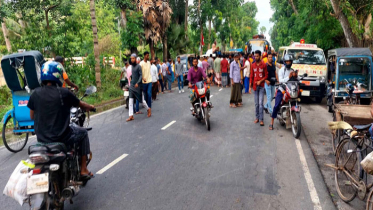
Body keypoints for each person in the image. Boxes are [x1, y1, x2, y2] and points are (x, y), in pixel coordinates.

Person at [28, 60, 94, 179]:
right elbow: (81, 104)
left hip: (41, 139)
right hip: (62, 138)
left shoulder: (35, 94)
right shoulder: (64, 93)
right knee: (83, 133)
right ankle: (83, 170)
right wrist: (90, 107)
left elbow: (32, 116)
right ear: (58, 75)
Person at [269, 54, 298, 130]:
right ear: (285, 62)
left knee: (295, 100)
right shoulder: (282, 70)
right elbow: (281, 80)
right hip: (282, 89)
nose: (288, 63)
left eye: (289, 61)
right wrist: (288, 77)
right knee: (276, 104)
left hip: (289, 89)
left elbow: (295, 80)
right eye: (287, 61)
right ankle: (271, 122)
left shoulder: (292, 70)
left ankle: (294, 117)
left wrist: (296, 76)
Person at [127, 54, 151, 121]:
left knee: (142, 101)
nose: (132, 60)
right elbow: (133, 75)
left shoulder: (139, 66)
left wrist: (138, 82)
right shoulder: (131, 67)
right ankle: (131, 115)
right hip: (132, 86)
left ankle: (148, 109)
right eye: (131, 58)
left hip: (138, 86)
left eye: (133, 58)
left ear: (135, 59)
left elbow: (140, 76)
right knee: (130, 101)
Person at [250, 50, 268, 126]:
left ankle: (261, 119)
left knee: (261, 103)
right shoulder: (253, 65)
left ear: (260, 56)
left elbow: (266, 75)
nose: (256, 57)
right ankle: (257, 118)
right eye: (255, 56)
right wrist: (250, 85)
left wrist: (261, 81)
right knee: (256, 104)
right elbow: (251, 75)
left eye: (257, 56)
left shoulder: (263, 65)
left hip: (261, 87)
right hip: (255, 87)